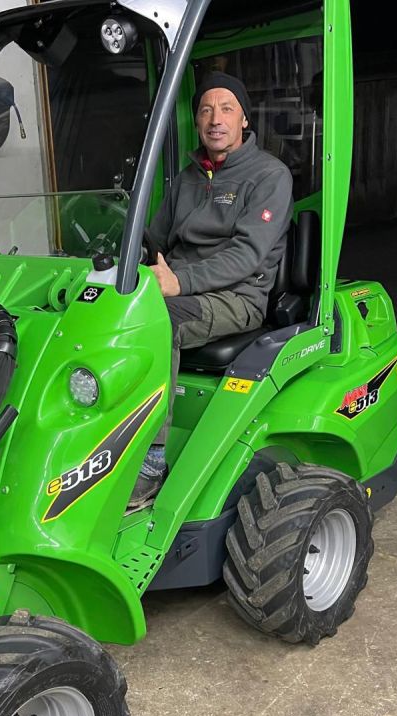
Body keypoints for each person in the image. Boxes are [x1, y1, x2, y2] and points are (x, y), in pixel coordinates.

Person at [129, 71, 294, 507]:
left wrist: (179, 281)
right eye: (206, 110)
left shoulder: (269, 176)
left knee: (155, 323)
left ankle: (152, 462)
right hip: (180, 289)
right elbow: (155, 240)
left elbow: (247, 256)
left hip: (235, 298)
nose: (215, 119)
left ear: (244, 119)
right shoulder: (186, 178)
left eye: (226, 109)